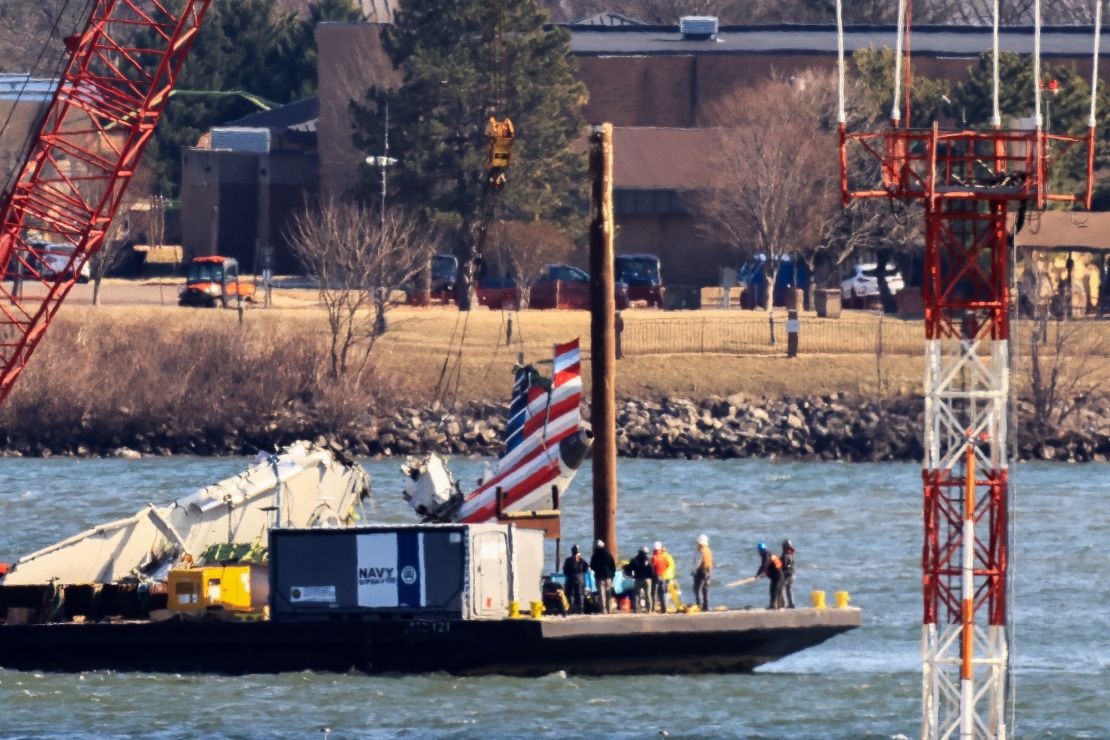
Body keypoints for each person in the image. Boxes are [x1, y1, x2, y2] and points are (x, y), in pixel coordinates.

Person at [590, 539, 617, 614]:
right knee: (608, 593)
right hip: (608, 577)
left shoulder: (595, 556)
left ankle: (603, 610)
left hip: (599, 577)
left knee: (602, 594)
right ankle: (609, 609)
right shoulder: (608, 555)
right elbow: (613, 566)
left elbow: (592, 566)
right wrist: (612, 575)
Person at [754, 542, 784, 609]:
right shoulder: (768, 555)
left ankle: (776, 606)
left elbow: (764, 565)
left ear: (761, 550)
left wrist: (758, 574)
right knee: (773, 590)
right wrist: (762, 574)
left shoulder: (767, 555)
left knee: (775, 590)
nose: (758, 552)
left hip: (778, 576)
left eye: (759, 550)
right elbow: (768, 567)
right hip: (776, 576)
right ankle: (775, 606)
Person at [562, 544, 589, 614]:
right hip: (580, 580)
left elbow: (565, 571)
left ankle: (570, 610)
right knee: (580, 595)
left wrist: (570, 574)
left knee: (570, 594)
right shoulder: (582, 560)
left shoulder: (568, 560)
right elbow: (586, 568)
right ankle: (581, 610)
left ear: (572, 551)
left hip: (571, 579)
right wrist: (581, 573)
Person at [651, 542, 675, 613]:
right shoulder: (666, 557)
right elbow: (667, 565)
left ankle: (653, 609)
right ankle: (664, 609)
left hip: (657, 577)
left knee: (654, 593)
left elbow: (652, 567)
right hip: (664, 576)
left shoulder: (654, 557)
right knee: (663, 593)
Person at [691, 534, 713, 611]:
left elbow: (698, 562)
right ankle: (706, 606)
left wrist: (693, 570)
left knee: (697, 589)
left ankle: (698, 606)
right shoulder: (708, 550)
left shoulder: (701, 550)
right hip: (709, 571)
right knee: (705, 588)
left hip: (702, 571)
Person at [630, 546, 654, 613]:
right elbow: (651, 571)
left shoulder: (634, 560)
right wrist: (651, 577)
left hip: (638, 579)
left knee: (636, 595)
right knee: (648, 595)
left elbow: (630, 569)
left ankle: (636, 609)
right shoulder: (648, 560)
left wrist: (633, 576)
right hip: (647, 579)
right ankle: (649, 610)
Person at [780, 539, 796, 609]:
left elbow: (783, 566)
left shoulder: (785, 555)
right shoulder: (791, 554)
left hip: (787, 575)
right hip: (792, 574)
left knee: (782, 589)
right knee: (789, 589)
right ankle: (792, 604)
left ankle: (784, 604)